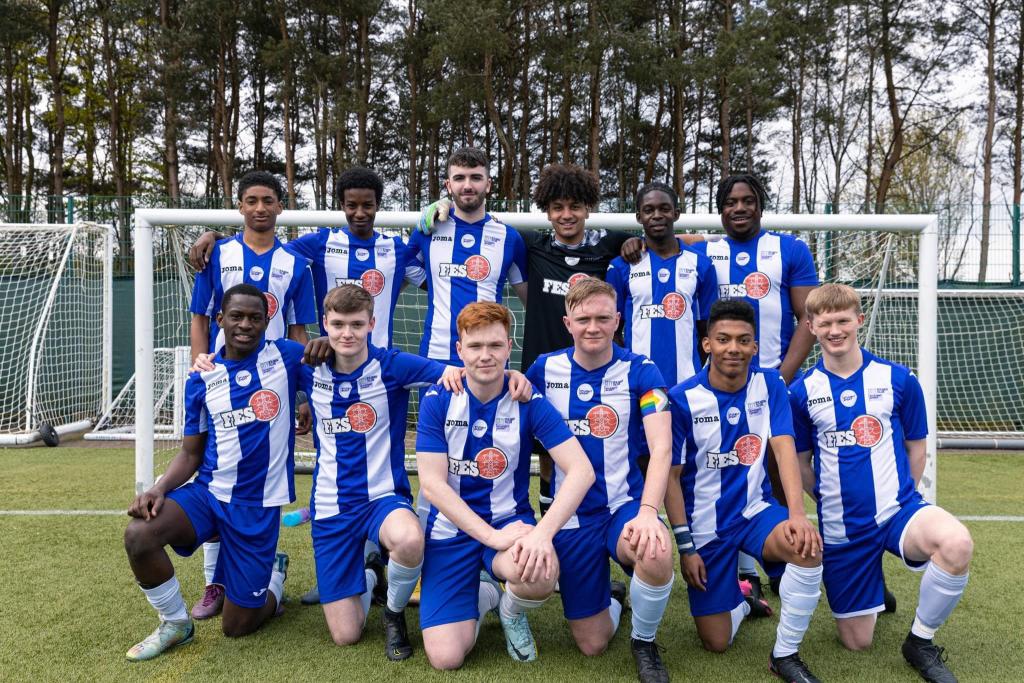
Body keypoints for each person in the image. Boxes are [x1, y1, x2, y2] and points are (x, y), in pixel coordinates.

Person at [789, 284, 973, 683]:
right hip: (842, 527)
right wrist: (827, 498)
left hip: (899, 511)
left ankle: (920, 641)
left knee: (956, 543)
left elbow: (916, 447)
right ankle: (874, 581)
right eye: (825, 323)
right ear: (811, 326)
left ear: (859, 320)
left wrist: (904, 493)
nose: (835, 330)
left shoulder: (898, 379)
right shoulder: (800, 392)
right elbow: (801, 463)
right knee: (858, 642)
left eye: (842, 321)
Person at [123, 284, 304, 661]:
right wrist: (159, 488)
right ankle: (175, 623)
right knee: (140, 534)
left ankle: (274, 575)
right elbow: (190, 454)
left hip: (257, 505)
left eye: (255, 317)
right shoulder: (202, 378)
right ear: (220, 320)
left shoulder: (286, 356)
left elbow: (335, 355)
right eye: (236, 316)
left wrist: (324, 347)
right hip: (209, 493)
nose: (245, 325)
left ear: (267, 321)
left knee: (237, 628)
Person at [415, 302, 594, 669]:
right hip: (451, 531)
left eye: (495, 346)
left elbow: (581, 471)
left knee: (541, 571)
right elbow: (432, 485)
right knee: (446, 657)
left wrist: (542, 533)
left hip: (508, 521)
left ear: (509, 347)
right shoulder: (437, 399)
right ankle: (485, 596)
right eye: (476, 346)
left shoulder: (526, 399)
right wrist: (490, 537)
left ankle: (511, 611)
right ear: (459, 349)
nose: (485, 356)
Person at [298, 284, 462, 661]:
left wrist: (513, 379)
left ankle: (393, 613)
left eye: (356, 324)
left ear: (372, 323)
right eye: (337, 325)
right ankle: (373, 573)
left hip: (382, 499)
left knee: (408, 539)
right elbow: (255, 352)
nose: (347, 334)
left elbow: (455, 374)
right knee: (346, 635)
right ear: (325, 323)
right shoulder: (305, 363)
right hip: (330, 508)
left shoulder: (393, 366)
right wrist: (206, 360)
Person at [525, 279, 676, 683]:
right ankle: (612, 597)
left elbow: (661, 448)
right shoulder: (542, 369)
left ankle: (644, 642)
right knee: (592, 643)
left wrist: (648, 512)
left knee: (656, 549)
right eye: (584, 319)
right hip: (570, 516)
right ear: (567, 323)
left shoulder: (642, 371)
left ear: (617, 321)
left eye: (603, 318)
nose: (593, 327)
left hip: (621, 508)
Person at [667, 298, 824, 682]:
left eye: (743, 340)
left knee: (807, 547)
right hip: (707, 526)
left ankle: (784, 654)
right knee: (716, 642)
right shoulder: (681, 399)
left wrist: (797, 515)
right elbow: (670, 478)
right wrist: (686, 548)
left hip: (756, 512)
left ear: (755, 345)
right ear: (707, 344)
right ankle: (741, 602)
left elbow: (784, 446)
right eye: (723, 339)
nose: (733, 348)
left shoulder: (770, 384)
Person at [187, 170, 317, 620]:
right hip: (223, 380)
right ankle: (213, 583)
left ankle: (260, 572)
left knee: (256, 477)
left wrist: (302, 396)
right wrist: (200, 369)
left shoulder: (297, 263)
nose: (260, 208)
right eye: (251, 200)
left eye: (268, 200)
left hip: (273, 386)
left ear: (281, 207)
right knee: (212, 470)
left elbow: (299, 329)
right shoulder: (216, 253)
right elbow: (202, 317)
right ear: (240, 206)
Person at [689, 173, 820, 604]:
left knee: (782, 471)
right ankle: (744, 573)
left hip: (773, 382)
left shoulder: (789, 250)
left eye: (747, 200)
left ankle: (785, 561)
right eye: (729, 202)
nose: (739, 208)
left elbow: (809, 317)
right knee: (725, 471)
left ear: (760, 206)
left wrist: (780, 376)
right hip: (720, 385)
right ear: (720, 209)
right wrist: (631, 245)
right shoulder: (704, 251)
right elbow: (665, 243)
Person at [189, 166, 425, 349]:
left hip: (381, 361)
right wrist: (217, 238)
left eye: (367, 206)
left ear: (378, 206)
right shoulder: (319, 243)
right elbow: (266, 248)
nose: (360, 213)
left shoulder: (397, 249)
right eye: (352, 205)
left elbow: (435, 277)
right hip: (331, 363)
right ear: (342, 205)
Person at [406, 147, 528, 365]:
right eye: (459, 178)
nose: (468, 185)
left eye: (476, 178)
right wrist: (435, 284)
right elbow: (403, 266)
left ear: (488, 185)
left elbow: (530, 299)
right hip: (436, 357)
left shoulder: (509, 238)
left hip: (489, 357)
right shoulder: (428, 229)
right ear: (448, 185)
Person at [606, 181, 718, 388]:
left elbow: (707, 329)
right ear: (639, 217)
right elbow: (612, 330)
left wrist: (696, 371)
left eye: (664, 209)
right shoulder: (621, 267)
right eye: (649, 210)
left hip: (688, 384)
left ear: (676, 213)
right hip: (636, 384)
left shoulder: (701, 264)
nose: (656, 215)